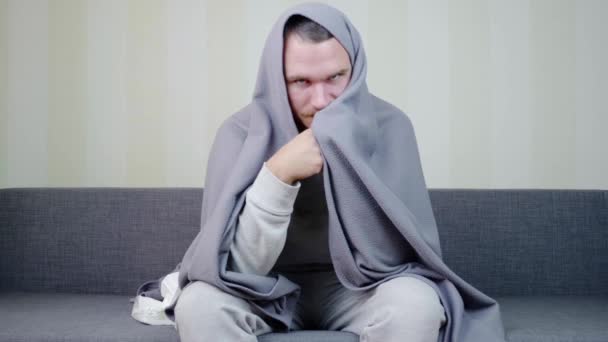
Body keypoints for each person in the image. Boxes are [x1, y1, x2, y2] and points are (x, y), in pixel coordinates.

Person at [131, 3, 505, 342]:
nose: (322, 101)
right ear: (277, 78)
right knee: (198, 305)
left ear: (354, 70)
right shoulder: (239, 133)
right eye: (301, 82)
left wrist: (347, 156)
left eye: (335, 77)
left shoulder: (391, 126)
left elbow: (403, 260)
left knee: (417, 303)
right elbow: (234, 270)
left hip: (359, 289)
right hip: (262, 289)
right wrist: (277, 175)